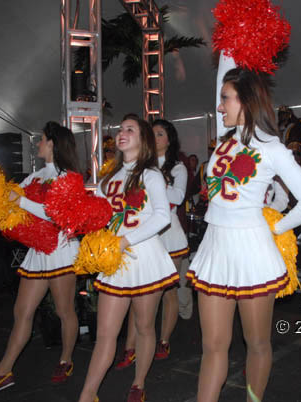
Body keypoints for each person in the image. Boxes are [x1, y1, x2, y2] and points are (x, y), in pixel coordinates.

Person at [186, 54, 301, 402]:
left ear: (245, 100)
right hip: (215, 247)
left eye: (225, 98)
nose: (219, 106)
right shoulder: (223, 142)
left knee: (257, 342)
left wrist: (274, 230)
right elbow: (224, 77)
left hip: (252, 250)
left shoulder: (273, 149)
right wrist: (230, 42)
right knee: (212, 346)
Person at [0, 122, 81, 397]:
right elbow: (13, 200)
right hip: (37, 253)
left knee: (64, 311)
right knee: (22, 312)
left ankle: (66, 360)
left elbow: (55, 214)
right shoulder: (33, 178)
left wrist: (19, 201)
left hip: (61, 250)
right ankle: (4, 370)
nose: (38, 145)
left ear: (54, 144)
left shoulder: (69, 177)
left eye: (42, 140)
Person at [77, 114, 178, 402]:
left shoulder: (152, 174)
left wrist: (125, 240)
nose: (122, 133)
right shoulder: (108, 179)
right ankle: (88, 394)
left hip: (145, 259)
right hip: (115, 263)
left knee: (145, 327)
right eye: (121, 129)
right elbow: (100, 218)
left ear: (142, 139)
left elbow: (161, 216)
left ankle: (139, 382)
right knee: (106, 334)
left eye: (130, 130)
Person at [114, 118, 191, 371]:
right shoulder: (136, 166)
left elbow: (178, 197)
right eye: (153, 133)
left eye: (160, 134)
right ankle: (131, 347)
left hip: (168, 235)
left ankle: (165, 339)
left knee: (168, 293)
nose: (155, 138)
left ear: (169, 139)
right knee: (135, 291)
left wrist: (151, 184)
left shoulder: (176, 167)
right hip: (141, 236)